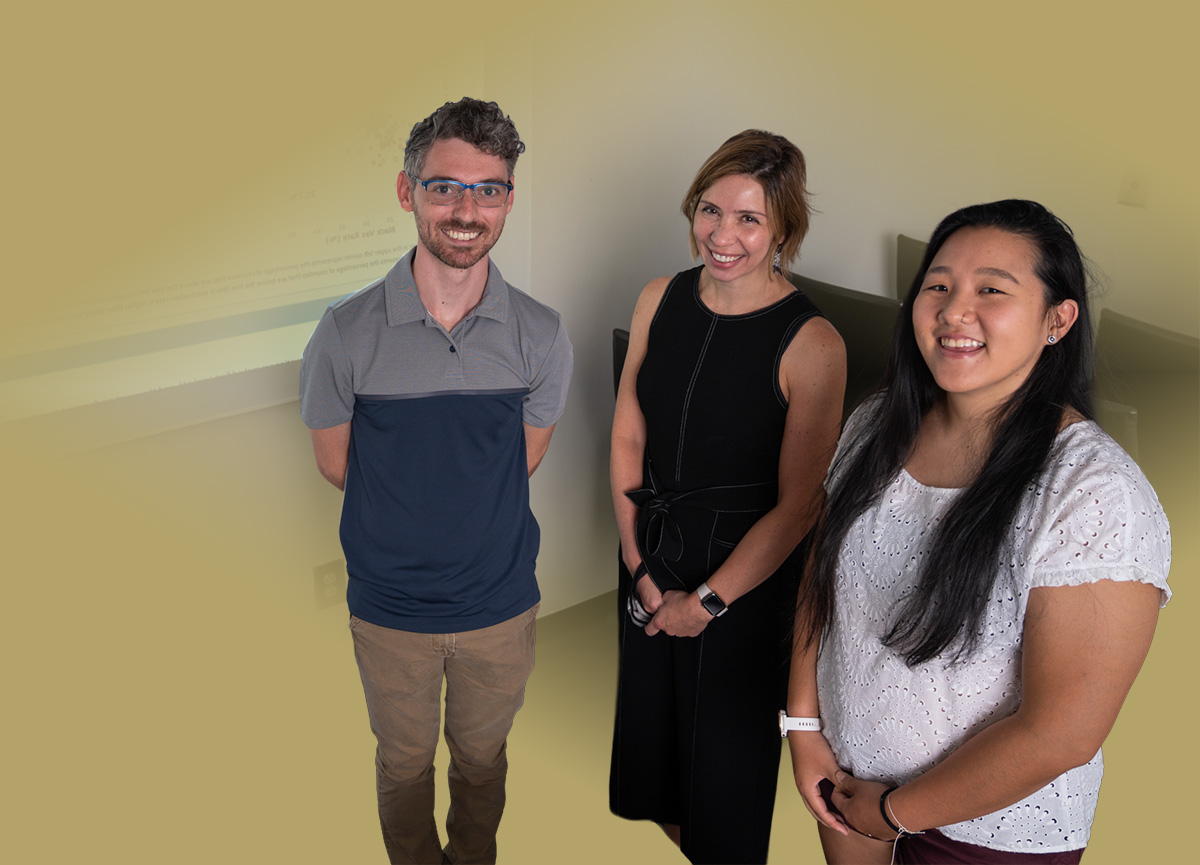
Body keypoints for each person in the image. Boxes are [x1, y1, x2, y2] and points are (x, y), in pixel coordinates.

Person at [786, 199, 1171, 864]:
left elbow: (1057, 735)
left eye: (991, 289)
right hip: (847, 780)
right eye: (938, 285)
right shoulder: (876, 423)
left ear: (1058, 319)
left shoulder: (1096, 494)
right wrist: (803, 726)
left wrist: (892, 812)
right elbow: (822, 578)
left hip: (990, 830)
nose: (954, 310)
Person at [299, 97, 572, 865]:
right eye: (445, 186)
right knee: (404, 762)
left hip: (499, 605)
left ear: (509, 201)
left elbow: (522, 456)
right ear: (406, 190)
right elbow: (336, 464)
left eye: (488, 189)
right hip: (390, 611)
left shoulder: (541, 334)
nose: (465, 210)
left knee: (483, 760)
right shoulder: (345, 332)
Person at [609, 130, 846, 864]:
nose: (723, 235)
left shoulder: (814, 343)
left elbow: (800, 506)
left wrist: (705, 602)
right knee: (655, 768)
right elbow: (626, 434)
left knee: (725, 786)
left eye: (749, 219)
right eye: (711, 210)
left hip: (743, 584)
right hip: (652, 552)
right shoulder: (659, 296)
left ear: (783, 229)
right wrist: (639, 564)